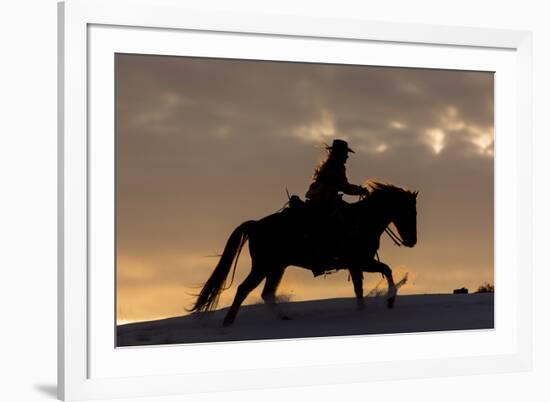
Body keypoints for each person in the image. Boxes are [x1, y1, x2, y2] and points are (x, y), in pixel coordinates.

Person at [305, 139, 369, 275]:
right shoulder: (336, 166)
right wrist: (361, 190)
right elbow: (344, 187)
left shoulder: (332, 165)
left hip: (324, 200)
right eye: (345, 153)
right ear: (340, 154)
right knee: (343, 224)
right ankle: (332, 256)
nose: (347, 156)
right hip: (325, 201)